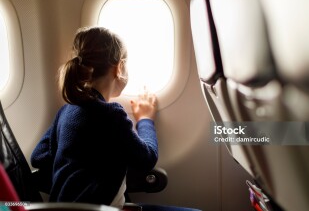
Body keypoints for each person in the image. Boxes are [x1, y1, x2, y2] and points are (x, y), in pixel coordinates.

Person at [30, 26, 200, 211]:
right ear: (118, 67)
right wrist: (145, 119)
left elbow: (38, 157)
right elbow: (147, 158)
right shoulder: (112, 114)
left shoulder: (66, 111)